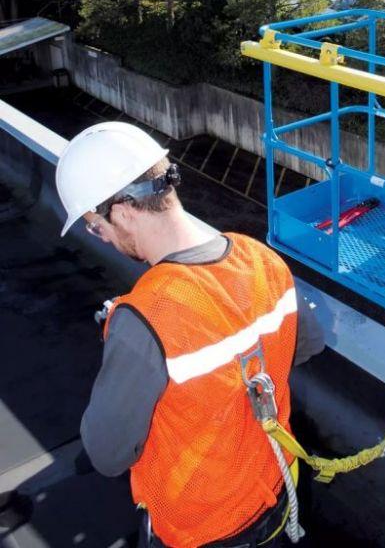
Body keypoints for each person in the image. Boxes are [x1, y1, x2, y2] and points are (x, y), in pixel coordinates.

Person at [55, 121, 324, 548]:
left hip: (201, 529)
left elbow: (108, 453)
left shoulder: (144, 317)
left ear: (124, 212)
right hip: (275, 497)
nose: (99, 235)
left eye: (95, 225)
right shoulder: (262, 259)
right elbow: (305, 344)